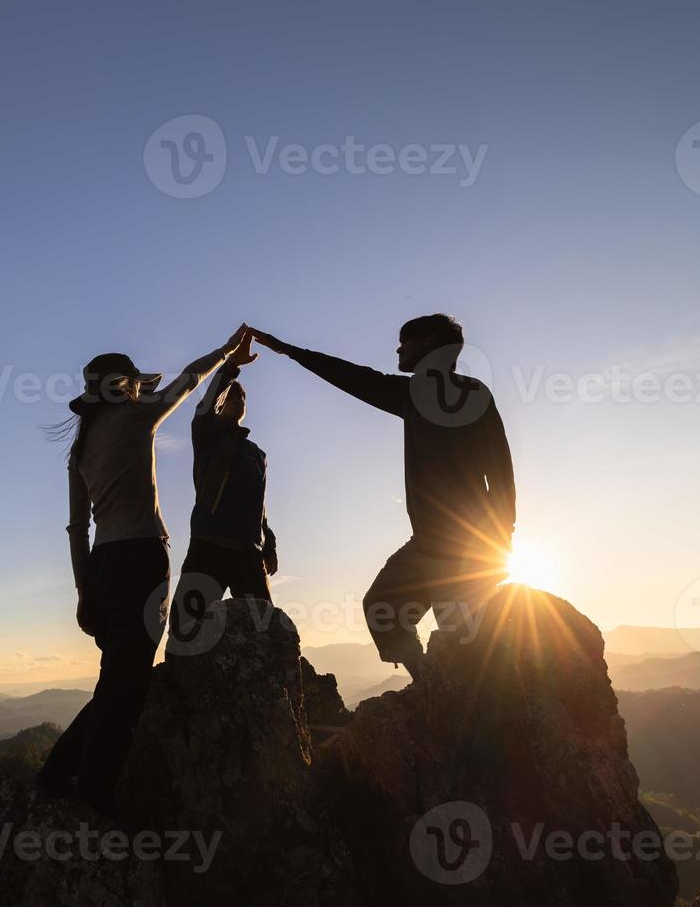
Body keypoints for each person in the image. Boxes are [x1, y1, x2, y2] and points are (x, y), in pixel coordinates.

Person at [36, 324, 248, 816]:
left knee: (119, 678)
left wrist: (83, 591)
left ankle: (57, 776)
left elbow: (76, 528)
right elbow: (191, 378)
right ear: (127, 387)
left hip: (103, 570)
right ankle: (91, 792)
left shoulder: (80, 449)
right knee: (125, 686)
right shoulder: (136, 418)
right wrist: (228, 353)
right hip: (142, 559)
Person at [249, 315, 515, 679]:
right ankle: (430, 680)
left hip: (466, 552)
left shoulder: (442, 396)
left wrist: (501, 535)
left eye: (406, 340)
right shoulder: (432, 394)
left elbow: (499, 470)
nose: (398, 348)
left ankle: (463, 705)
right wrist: (290, 351)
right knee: (383, 607)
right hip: (432, 546)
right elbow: (352, 376)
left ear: (431, 343)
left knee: (469, 650)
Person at [169, 331, 278, 646]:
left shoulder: (257, 454)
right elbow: (203, 407)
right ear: (219, 405)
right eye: (232, 395)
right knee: (184, 630)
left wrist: (269, 545)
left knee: (266, 634)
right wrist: (231, 370)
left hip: (248, 554)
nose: (238, 397)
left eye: (242, 395)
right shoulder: (206, 437)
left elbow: (260, 506)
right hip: (208, 547)